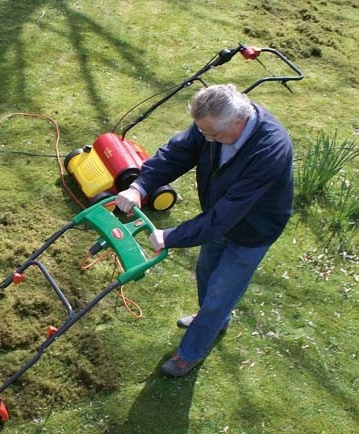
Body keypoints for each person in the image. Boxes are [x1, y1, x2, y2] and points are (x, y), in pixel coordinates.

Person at [115, 84, 293, 377]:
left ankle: (190, 353)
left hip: (253, 229)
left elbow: (226, 216)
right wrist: (140, 186)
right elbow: (177, 153)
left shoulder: (269, 150)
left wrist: (170, 237)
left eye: (213, 136)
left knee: (220, 293)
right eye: (203, 133)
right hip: (219, 217)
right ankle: (213, 320)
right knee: (207, 270)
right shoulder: (212, 123)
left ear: (239, 122)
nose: (207, 140)